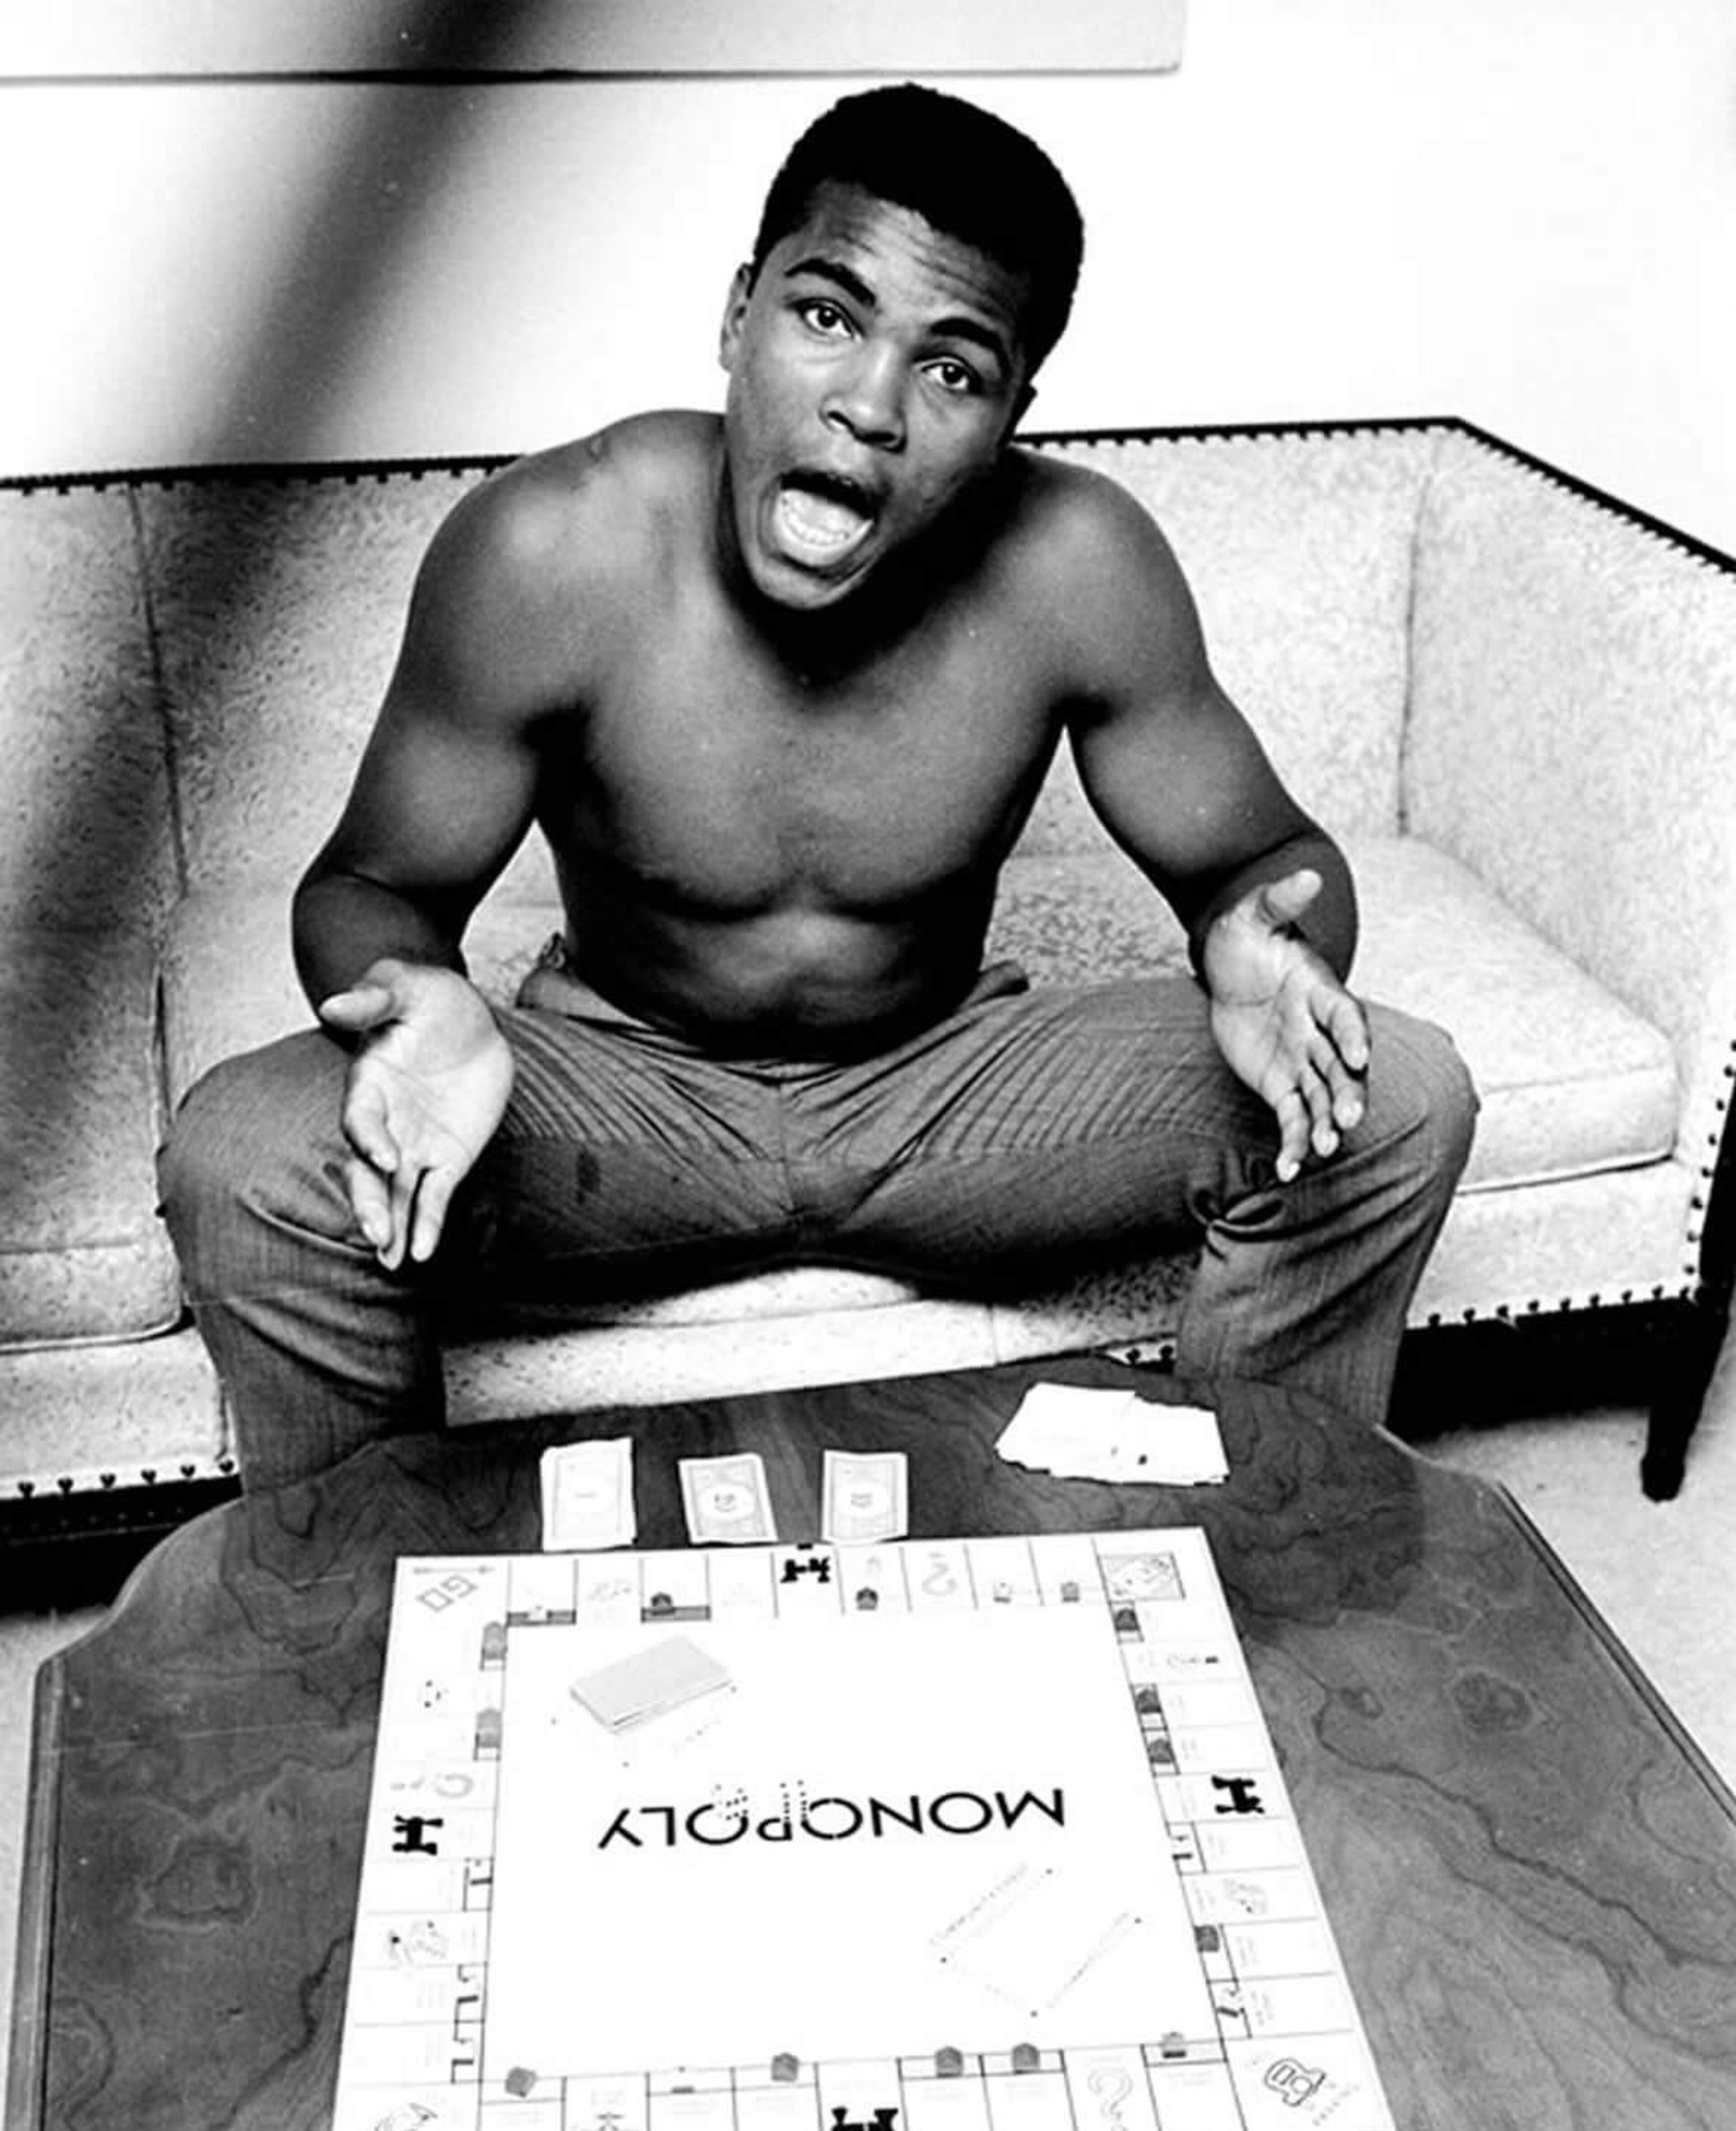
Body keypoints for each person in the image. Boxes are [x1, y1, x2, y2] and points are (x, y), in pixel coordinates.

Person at [160, 83, 1476, 1491]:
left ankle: (1262, 1556)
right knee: (250, 1150)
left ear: (1013, 413)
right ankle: (364, 1616)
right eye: (829, 317)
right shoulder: (554, 547)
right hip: (626, 1096)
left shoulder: (1079, 565)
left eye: (954, 369)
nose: (870, 406)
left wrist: (1261, 942)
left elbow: (1269, 856)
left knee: (1395, 1094)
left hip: (946, 1096)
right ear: (739, 317)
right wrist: (415, 1000)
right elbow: (369, 886)